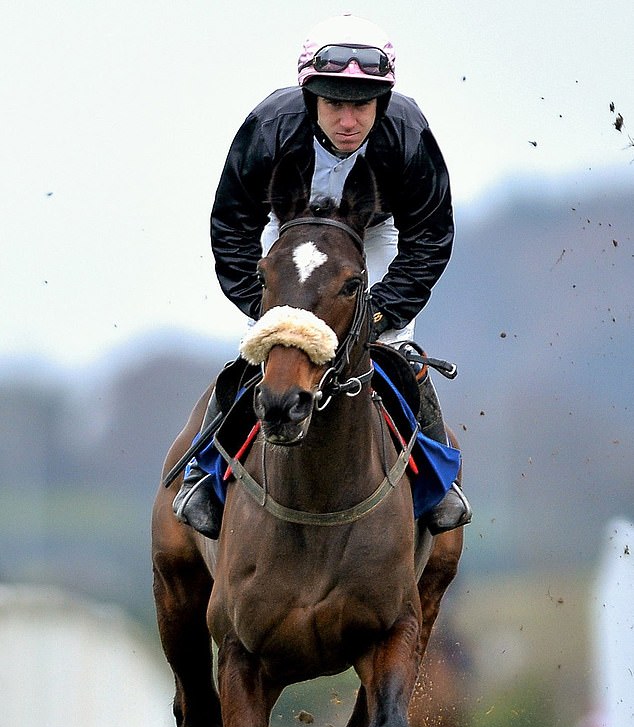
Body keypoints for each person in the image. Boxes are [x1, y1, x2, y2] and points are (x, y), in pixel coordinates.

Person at [173, 13, 471, 539]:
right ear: (311, 98)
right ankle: (205, 474)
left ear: (381, 101)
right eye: (335, 104)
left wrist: (381, 311)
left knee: (399, 350)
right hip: (286, 231)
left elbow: (430, 236)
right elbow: (231, 226)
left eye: (361, 105)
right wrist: (266, 309)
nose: (349, 121)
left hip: (371, 235)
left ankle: (436, 483)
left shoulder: (408, 132)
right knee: (272, 348)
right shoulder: (269, 128)